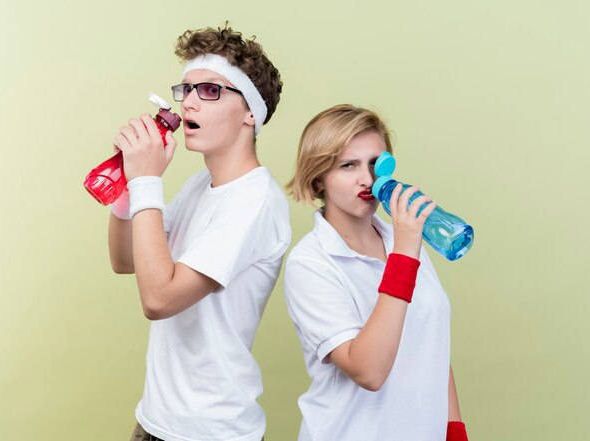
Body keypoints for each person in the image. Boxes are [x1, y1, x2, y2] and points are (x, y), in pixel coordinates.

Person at [107, 24, 290, 441]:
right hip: (156, 420)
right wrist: (125, 184)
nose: (189, 102)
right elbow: (126, 261)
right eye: (186, 90)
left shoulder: (254, 201)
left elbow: (158, 298)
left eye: (210, 91)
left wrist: (147, 182)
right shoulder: (199, 186)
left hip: (210, 431)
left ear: (251, 113)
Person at [284, 104, 469, 441]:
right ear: (318, 178)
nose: (367, 179)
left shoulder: (403, 239)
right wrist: (405, 253)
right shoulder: (310, 263)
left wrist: (455, 431)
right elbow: (368, 371)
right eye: (348, 165)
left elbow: (432, 342)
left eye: (375, 164)